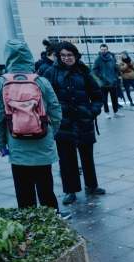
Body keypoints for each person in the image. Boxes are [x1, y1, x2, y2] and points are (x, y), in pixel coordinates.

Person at [0, 40, 69, 219]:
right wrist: (51, 133)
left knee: (22, 186)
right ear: (28, 56)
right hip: (42, 138)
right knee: (45, 183)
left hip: (16, 141)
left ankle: (28, 220)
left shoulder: (0, 83)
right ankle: (52, 217)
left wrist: (1, 142)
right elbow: (56, 111)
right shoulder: (41, 81)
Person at [43, 41, 106, 206]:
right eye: (62, 55)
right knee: (66, 159)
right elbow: (44, 99)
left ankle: (91, 185)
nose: (66, 58)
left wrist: (92, 112)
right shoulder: (50, 73)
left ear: (76, 56)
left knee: (87, 157)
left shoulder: (84, 72)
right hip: (63, 124)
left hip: (83, 121)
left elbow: (98, 96)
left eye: (69, 55)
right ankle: (69, 191)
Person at [93, 44, 123, 119]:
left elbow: (116, 68)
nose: (103, 51)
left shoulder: (111, 58)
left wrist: (116, 76)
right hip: (104, 83)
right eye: (102, 49)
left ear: (107, 49)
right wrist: (102, 76)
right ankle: (107, 112)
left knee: (114, 98)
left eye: (105, 49)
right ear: (100, 50)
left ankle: (116, 112)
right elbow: (95, 70)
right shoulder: (98, 59)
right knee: (104, 99)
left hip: (113, 82)